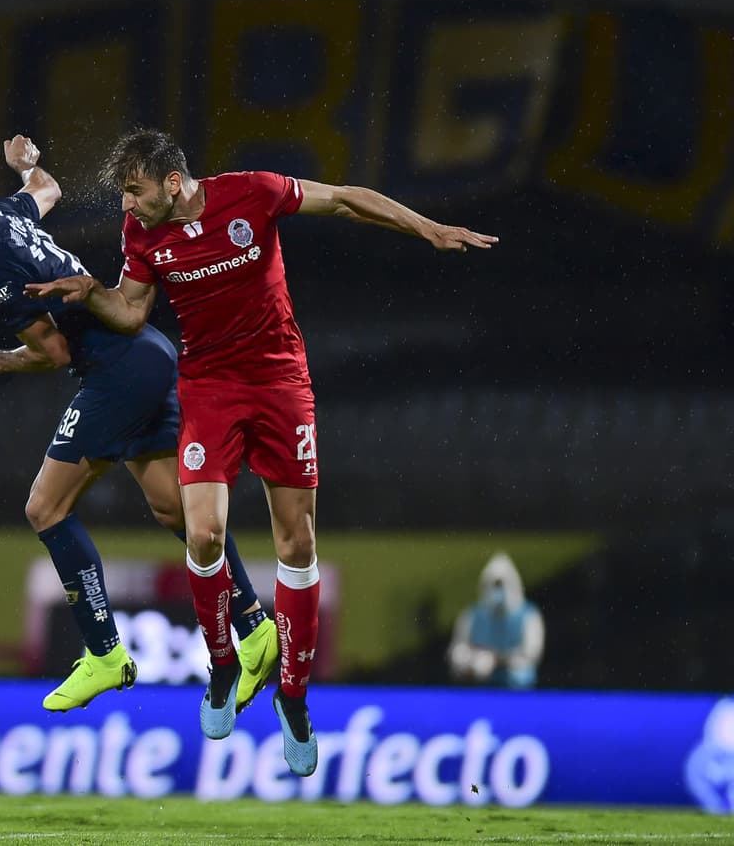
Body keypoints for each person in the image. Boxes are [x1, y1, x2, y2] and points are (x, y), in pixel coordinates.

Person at [27, 128, 496, 775]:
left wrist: (427, 228)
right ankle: (224, 662)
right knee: (203, 533)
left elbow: (345, 199)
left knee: (296, 545)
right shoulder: (142, 235)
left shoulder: (252, 193)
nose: (127, 207)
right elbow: (132, 311)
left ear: (170, 182)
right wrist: (90, 292)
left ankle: (294, 697)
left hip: (280, 382)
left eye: (134, 192)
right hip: (209, 387)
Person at [0, 135, 278, 715]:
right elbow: (45, 190)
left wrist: (1, 361)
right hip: (148, 354)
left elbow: (54, 355)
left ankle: (103, 652)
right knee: (176, 510)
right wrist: (28, 165)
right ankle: (253, 625)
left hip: (114, 370)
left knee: (44, 509)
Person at [447, 552, 544, 688]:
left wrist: (497, 660)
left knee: (520, 676)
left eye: (502, 585)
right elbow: (457, 649)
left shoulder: (529, 615)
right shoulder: (471, 615)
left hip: (515, 681)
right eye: (493, 585)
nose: (499, 591)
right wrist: (471, 660)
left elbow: (531, 654)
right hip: (479, 680)